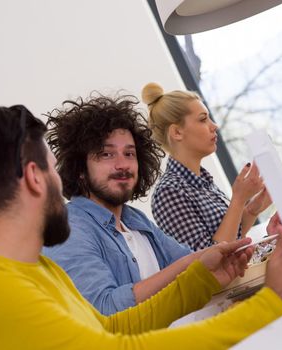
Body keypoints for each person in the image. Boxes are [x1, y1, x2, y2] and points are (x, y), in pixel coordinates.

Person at [0, 104, 282, 350]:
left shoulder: (35, 269)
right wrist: (275, 302)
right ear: (36, 178)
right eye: (53, 173)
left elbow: (112, 327)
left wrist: (198, 279)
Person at [43, 94, 203, 315]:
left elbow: (196, 265)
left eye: (129, 153)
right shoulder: (67, 229)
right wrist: (190, 265)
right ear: (80, 169)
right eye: (106, 154)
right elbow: (103, 310)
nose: (122, 165)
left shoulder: (134, 220)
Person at [142, 83, 272, 251]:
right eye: (203, 119)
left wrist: (252, 209)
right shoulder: (168, 193)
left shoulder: (202, 180)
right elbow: (208, 259)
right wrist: (238, 199)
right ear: (177, 132)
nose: (214, 126)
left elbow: (231, 237)